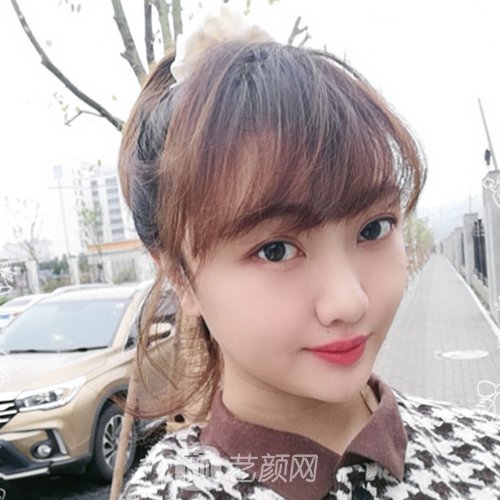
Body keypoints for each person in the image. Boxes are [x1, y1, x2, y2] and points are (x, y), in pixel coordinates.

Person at [118, 6, 500, 499]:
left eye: (374, 228)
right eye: (276, 249)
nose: (350, 301)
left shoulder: (484, 449)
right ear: (180, 274)